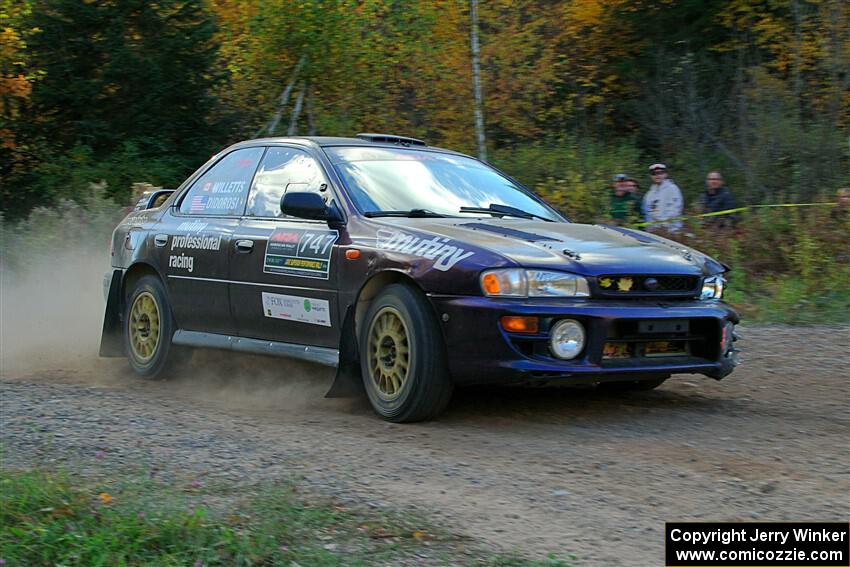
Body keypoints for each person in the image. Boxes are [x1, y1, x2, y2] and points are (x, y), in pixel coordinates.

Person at [642, 163, 683, 232]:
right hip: (655, 232)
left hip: (672, 230)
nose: (657, 175)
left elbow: (675, 210)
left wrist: (664, 225)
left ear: (665, 174)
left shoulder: (673, 188)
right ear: (650, 176)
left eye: (660, 173)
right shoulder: (649, 194)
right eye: (654, 173)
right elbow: (648, 213)